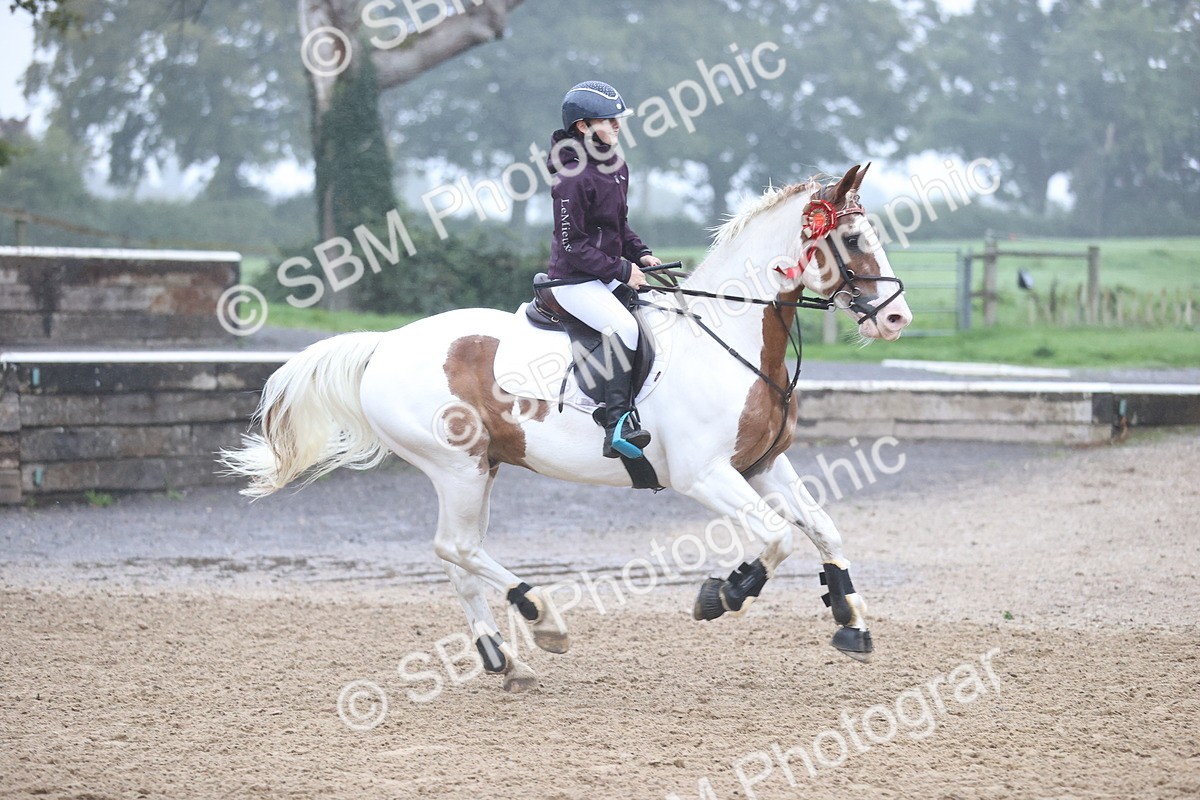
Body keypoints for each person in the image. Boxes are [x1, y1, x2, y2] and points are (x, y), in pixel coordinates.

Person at [546, 80, 662, 460]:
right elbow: (572, 246)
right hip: (574, 280)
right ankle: (616, 424)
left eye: (617, 121)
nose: (617, 127)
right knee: (626, 328)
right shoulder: (572, 176)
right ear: (583, 126)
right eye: (609, 121)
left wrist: (641, 254)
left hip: (604, 276)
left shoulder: (616, 166)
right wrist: (623, 270)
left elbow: (618, 226)